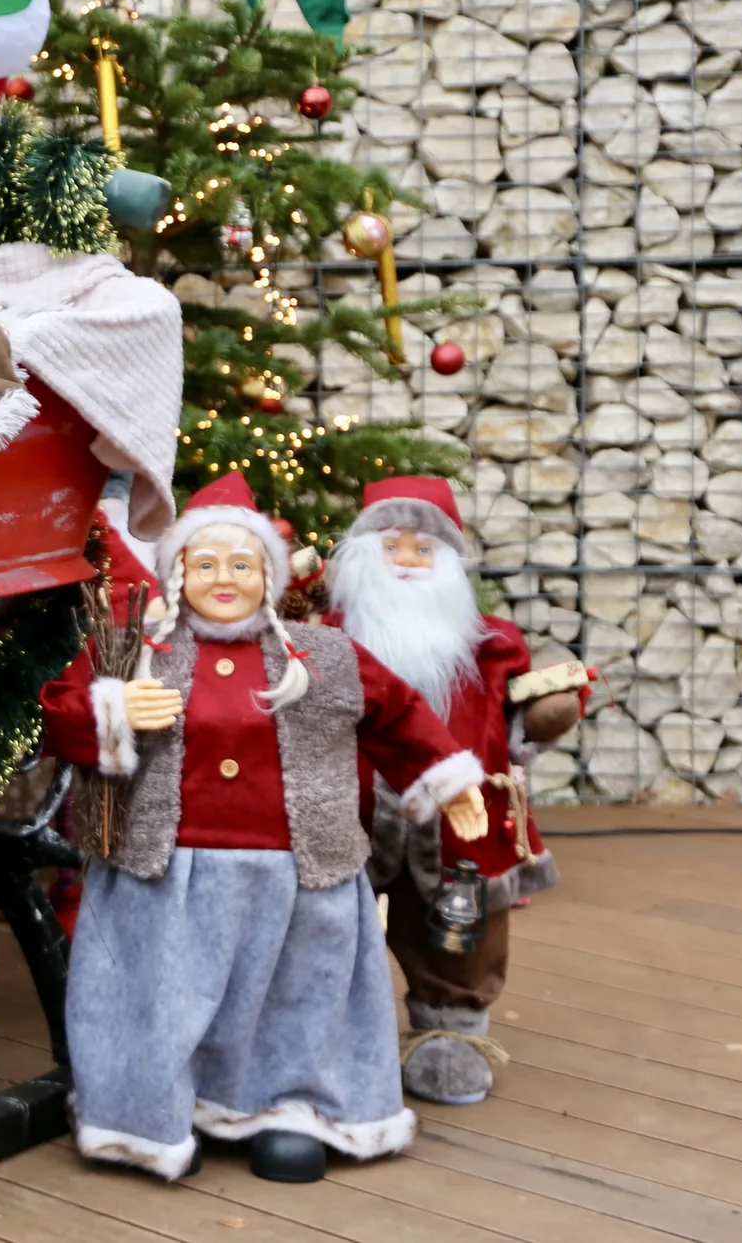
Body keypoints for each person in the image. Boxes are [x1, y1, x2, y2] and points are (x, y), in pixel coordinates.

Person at [39, 473, 487, 1185]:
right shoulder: (135, 650)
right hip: (165, 868)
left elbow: (397, 713)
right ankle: (150, 1110)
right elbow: (56, 713)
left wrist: (449, 780)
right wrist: (112, 707)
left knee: (292, 994)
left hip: (297, 872)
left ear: (269, 578)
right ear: (178, 571)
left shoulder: (323, 655)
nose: (224, 578)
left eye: (242, 564)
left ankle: (288, 1107)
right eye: (205, 562)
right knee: (161, 993)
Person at [320, 477, 589, 1106]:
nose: (409, 563)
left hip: (461, 820)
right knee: (328, 924)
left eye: (424, 550)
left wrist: (542, 718)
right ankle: (323, 1037)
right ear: (364, 558)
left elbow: (517, 721)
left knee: (458, 928)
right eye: (394, 548)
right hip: (349, 812)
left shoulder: (492, 644)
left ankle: (453, 1032)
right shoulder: (327, 637)